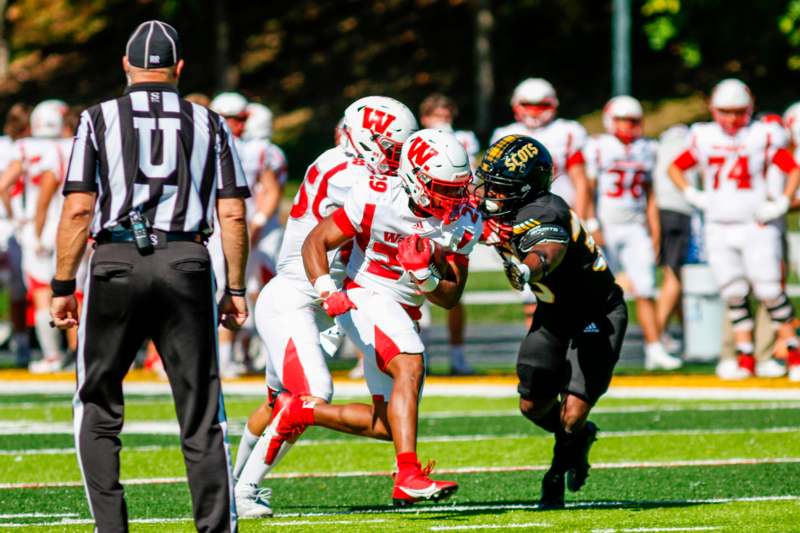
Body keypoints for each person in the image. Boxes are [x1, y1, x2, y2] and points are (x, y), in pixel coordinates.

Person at [49, 20, 247, 532]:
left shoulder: (98, 119)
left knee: (97, 403)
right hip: (186, 260)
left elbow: (77, 209)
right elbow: (233, 214)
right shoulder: (211, 123)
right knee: (202, 410)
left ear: (126, 66)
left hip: (116, 261)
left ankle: (111, 528)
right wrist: (237, 288)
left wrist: (63, 285)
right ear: (178, 68)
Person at [264, 128, 481, 506]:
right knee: (410, 365)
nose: (454, 198)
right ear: (415, 178)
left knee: (386, 424)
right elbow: (317, 241)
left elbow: (450, 297)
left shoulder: (462, 219)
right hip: (365, 295)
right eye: (444, 189)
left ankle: (301, 410)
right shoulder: (376, 195)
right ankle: (409, 474)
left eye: (457, 189)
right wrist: (326, 290)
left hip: (406, 308)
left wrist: (426, 276)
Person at [232, 96, 418, 515]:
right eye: (391, 147)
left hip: (343, 298)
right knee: (311, 394)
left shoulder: (368, 169)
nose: (395, 157)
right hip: (300, 296)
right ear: (365, 141)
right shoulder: (341, 169)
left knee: (389, 415)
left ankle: (228, 481)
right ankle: (242, 492)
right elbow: (393, 209)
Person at [474, 134, 627, 508]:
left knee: (572, 413)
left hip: (596, 315)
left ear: (525, 188)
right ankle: (580, 437)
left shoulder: (544, 210)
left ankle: (558, 470)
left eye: (499, 185)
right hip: (555, 314)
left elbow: (549, 249)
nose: (487, 191)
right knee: (532, 406)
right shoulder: (498, 206)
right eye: (488, 181)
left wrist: (526, 271)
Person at [669, 78, 800, 380]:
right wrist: (693, 195)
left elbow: (791, 167)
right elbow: (675, 167)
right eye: (725, 111)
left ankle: (792, 352)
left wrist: (781, 201)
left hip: (756, 222)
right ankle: (745, 357)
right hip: (718, 223)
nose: (731, 119)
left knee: (769, 289)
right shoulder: (703, 136)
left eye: (738, 112)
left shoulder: (762, 134)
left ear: (749, 109)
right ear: (715, 110)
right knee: (733, 290)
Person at [584, 96, 680, 370]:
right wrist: (592, 223)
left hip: (635, 227)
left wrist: (655, 230)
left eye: (633, 120)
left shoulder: (647, 148)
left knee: (646, 288)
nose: (628, 126)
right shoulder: (599, 147)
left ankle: (654, 348)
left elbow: (650, 194)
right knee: (597, 292)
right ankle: (594, 346)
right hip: (607, 225)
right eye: (623, 120)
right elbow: (588, 189)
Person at [491, 78, 592, 325]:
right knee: (532, 293)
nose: (535, 111)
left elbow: (580, 180)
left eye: (540, 105)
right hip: (521, 219)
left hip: (559, 217)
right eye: (529, 104)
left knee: (568, 289)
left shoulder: (567, 131)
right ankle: (539, 350)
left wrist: (584, 218)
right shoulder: (504, 134)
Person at [0, 99, 68, 373]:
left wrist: (19, 219)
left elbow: (4, 185)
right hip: (72, 224)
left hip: (38, 225)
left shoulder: (24, 148)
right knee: (78, 292)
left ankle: (52, 354)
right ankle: (76, 352)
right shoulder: (73, 145)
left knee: (41, 291)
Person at [419, 93, 479, 374]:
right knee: (417, 289)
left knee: (454, 288)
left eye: (446, 115)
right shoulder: (417, 142)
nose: (442, 121)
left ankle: (457, 355)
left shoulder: (464, 140)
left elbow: (473, 180)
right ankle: (420, 354)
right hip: (423, 220)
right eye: (436, 116)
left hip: (454, 222)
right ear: (425, 118)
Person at [209, 91, 253, 377]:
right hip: (217, 226)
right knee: (225, 289)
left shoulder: (256, 148)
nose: (241, 125)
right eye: (236, 119)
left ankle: (235, 355)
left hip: (237, 225)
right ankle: (223, 358)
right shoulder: (212, 144)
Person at [653, 124, 694, 354]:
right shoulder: (690, 144)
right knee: (674, 274)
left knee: (672, 274)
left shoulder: (660, 147)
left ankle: (682, 331)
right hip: (678, 210)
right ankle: (657, 335)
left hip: (657, 209)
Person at [0, 104, 31, 368]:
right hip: (13, 224)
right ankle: (20, 343)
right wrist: (12, 214)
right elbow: (4, 188)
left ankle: (20, 342)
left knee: (17, 288)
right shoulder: (25, 149)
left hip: (11, 222)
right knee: (19, 287)